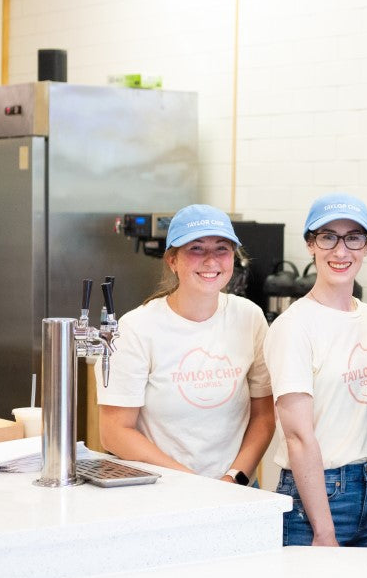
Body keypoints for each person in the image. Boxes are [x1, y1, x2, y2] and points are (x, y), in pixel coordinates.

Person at [264, 194, 367, 547]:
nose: (341, 251)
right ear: (310, 244)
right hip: (320, 499)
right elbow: (298, 437)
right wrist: (324, 530)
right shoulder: (293, 326)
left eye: (353, 238)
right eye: (328, 237)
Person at [97, 204, 274, 486]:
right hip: (162, 490)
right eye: (196, 248)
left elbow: (264, 416)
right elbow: (114, 432)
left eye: (222, 248)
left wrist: (233, 478)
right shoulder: (137, 328)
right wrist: (196, 485)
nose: (211, 260)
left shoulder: (249, 317)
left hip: (237, 489)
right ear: (172, 260)